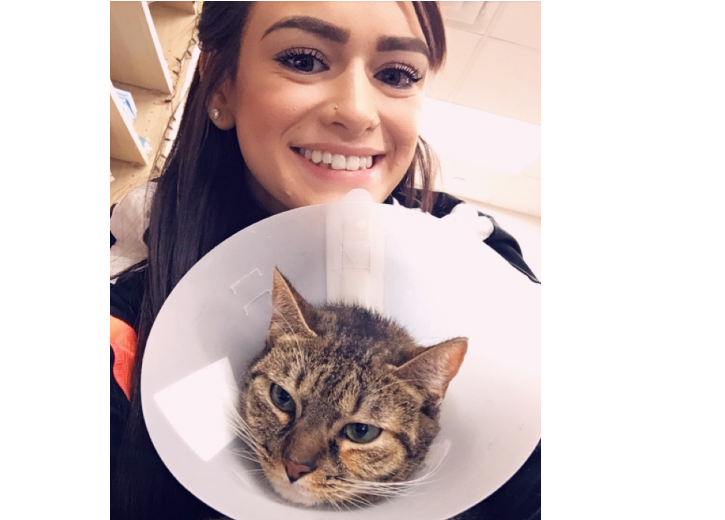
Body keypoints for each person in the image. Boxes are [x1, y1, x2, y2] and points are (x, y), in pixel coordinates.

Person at [110, 2, 541, 519]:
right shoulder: (130, 277)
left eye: (397, 73)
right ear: (220, 83)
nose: (357, 111)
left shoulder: (483, 258)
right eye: (304, 59)